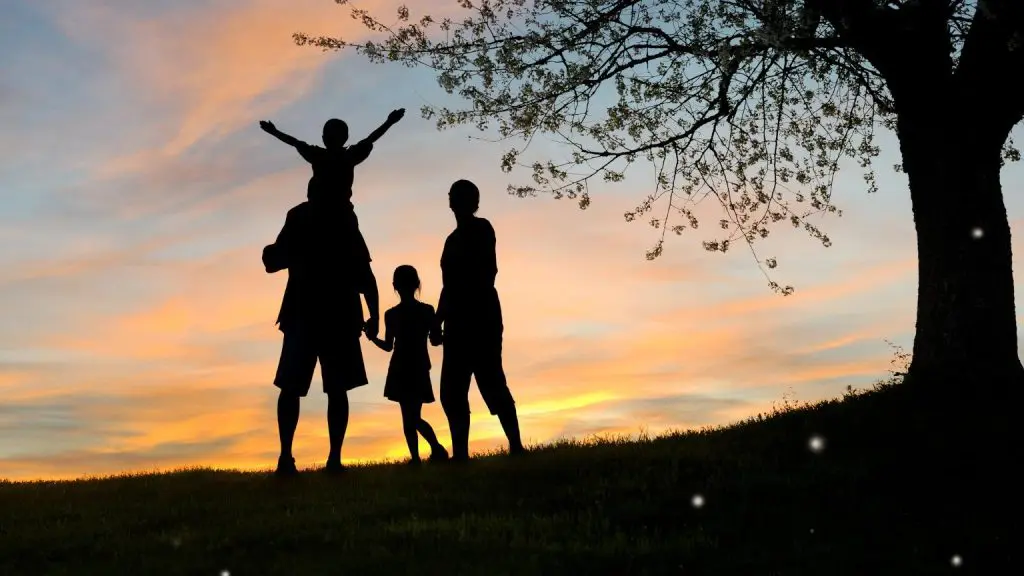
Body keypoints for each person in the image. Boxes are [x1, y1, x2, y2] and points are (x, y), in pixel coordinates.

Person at [262, 187, 381, 477]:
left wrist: (374, 313)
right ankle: (319, 458)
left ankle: (301, 458)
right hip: (324, 313)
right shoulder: (334, 217)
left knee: (304, 388)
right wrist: (374, 314)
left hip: (317, 313)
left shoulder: (317, 216)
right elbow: (365, 273)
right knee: (321, 389)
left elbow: (273, 260)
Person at [435, 179, 526, 462]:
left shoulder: (482, 229)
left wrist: (456, 307)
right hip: (457, 320)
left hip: (481, 315)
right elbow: (447, 285)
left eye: (458, 197)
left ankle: (516, 445)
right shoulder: (451, 240)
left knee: (491, 380)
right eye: (452, 196)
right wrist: (439, 319)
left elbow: (486, 272)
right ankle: (460, 453)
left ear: (471, 202)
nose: (453, 201)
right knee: (452, 390)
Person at [258, 109, 405, 261]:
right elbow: (370, 139)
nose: (327, 137)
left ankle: (280, 255)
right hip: (331, 209)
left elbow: (295, 142)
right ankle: (280, 255)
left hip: (329, 210)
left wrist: (274, 132)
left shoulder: (331, 155)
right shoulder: (337, 155)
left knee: (295, 215)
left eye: (330, 134)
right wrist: (389, 122)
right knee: (295, 215)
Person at [366, 265, 450, 465]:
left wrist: (371, 338)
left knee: (409, 417)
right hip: (419, 365)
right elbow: (437, 339)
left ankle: (428, 452)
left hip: (401, 367)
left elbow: (388, 346)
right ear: (417, 284)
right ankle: (427, 453)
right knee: (413, 416)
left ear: (395, 286)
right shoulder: (427, 311)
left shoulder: (391, 314)